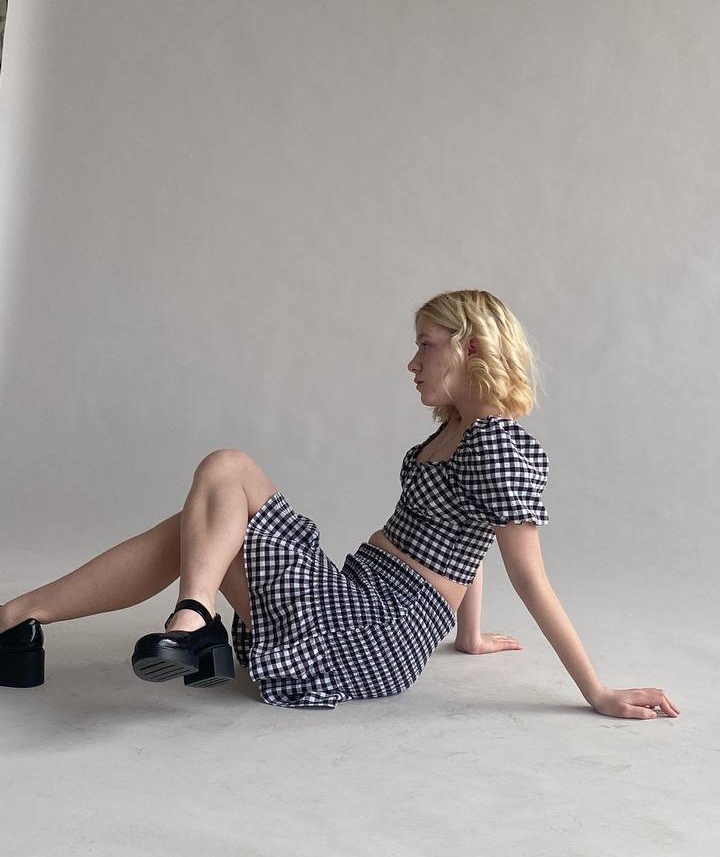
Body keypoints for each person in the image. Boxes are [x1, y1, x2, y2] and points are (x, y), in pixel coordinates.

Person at [0, 288, 679, 720]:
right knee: (204, 526)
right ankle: (21, 621)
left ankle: (184, 619)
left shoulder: (498, 444)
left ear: (471, 347)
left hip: (378, 630)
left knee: (226, 474)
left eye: (426, 345)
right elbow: (469, 537)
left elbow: (530, 577)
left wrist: (597, 691)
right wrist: (469, 636)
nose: (413, 362)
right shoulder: (454, 432)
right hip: (353, 599)